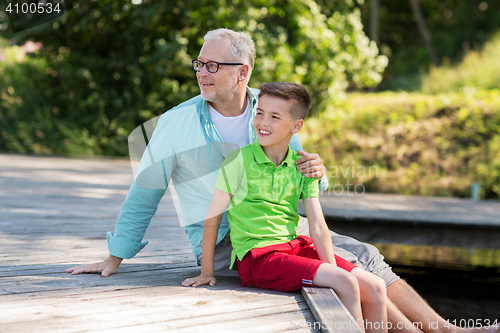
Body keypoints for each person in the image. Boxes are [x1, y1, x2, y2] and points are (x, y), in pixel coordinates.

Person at [65, 28, 498, 333]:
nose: (203, 72)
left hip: (283, 227)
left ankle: (439, 330)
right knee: (350, 269)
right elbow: (145, 192)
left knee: (364, 253)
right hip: (229, 243)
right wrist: (115, 257)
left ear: (244, 72)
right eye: (200, 62)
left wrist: (319, 173)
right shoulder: (176, 125)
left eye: (215, 65)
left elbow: (301, 177)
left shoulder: (271, 109)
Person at [182, 82, 388, 332]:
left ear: (296, 126)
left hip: (294, 248)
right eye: (260, 113)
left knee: (375, 286)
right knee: (344, 281)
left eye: (275, 117)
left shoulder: (302, 166)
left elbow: (318, 226)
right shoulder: (239, 160)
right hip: (258, 258)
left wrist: (328, 268)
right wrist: (207, 271)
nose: (263, 122)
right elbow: (212, 218)